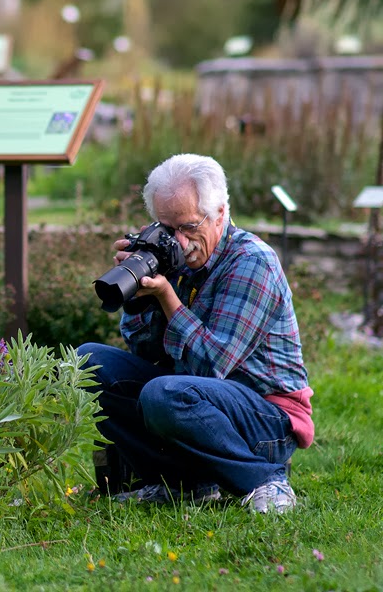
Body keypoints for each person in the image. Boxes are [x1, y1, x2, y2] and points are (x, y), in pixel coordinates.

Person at [78, 154, 313, 513]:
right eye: (166, 227)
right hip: (194, 400)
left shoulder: (252, 261)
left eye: (187, 227)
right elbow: (144, 352)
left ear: (220, 212)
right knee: (88, 363)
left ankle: (267, 480)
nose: (178, 240)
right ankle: (180, 485)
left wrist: (168, 298)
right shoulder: (177, 258)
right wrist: (140, 296)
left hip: (266, 418)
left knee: (163, 393)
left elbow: (209, 367)